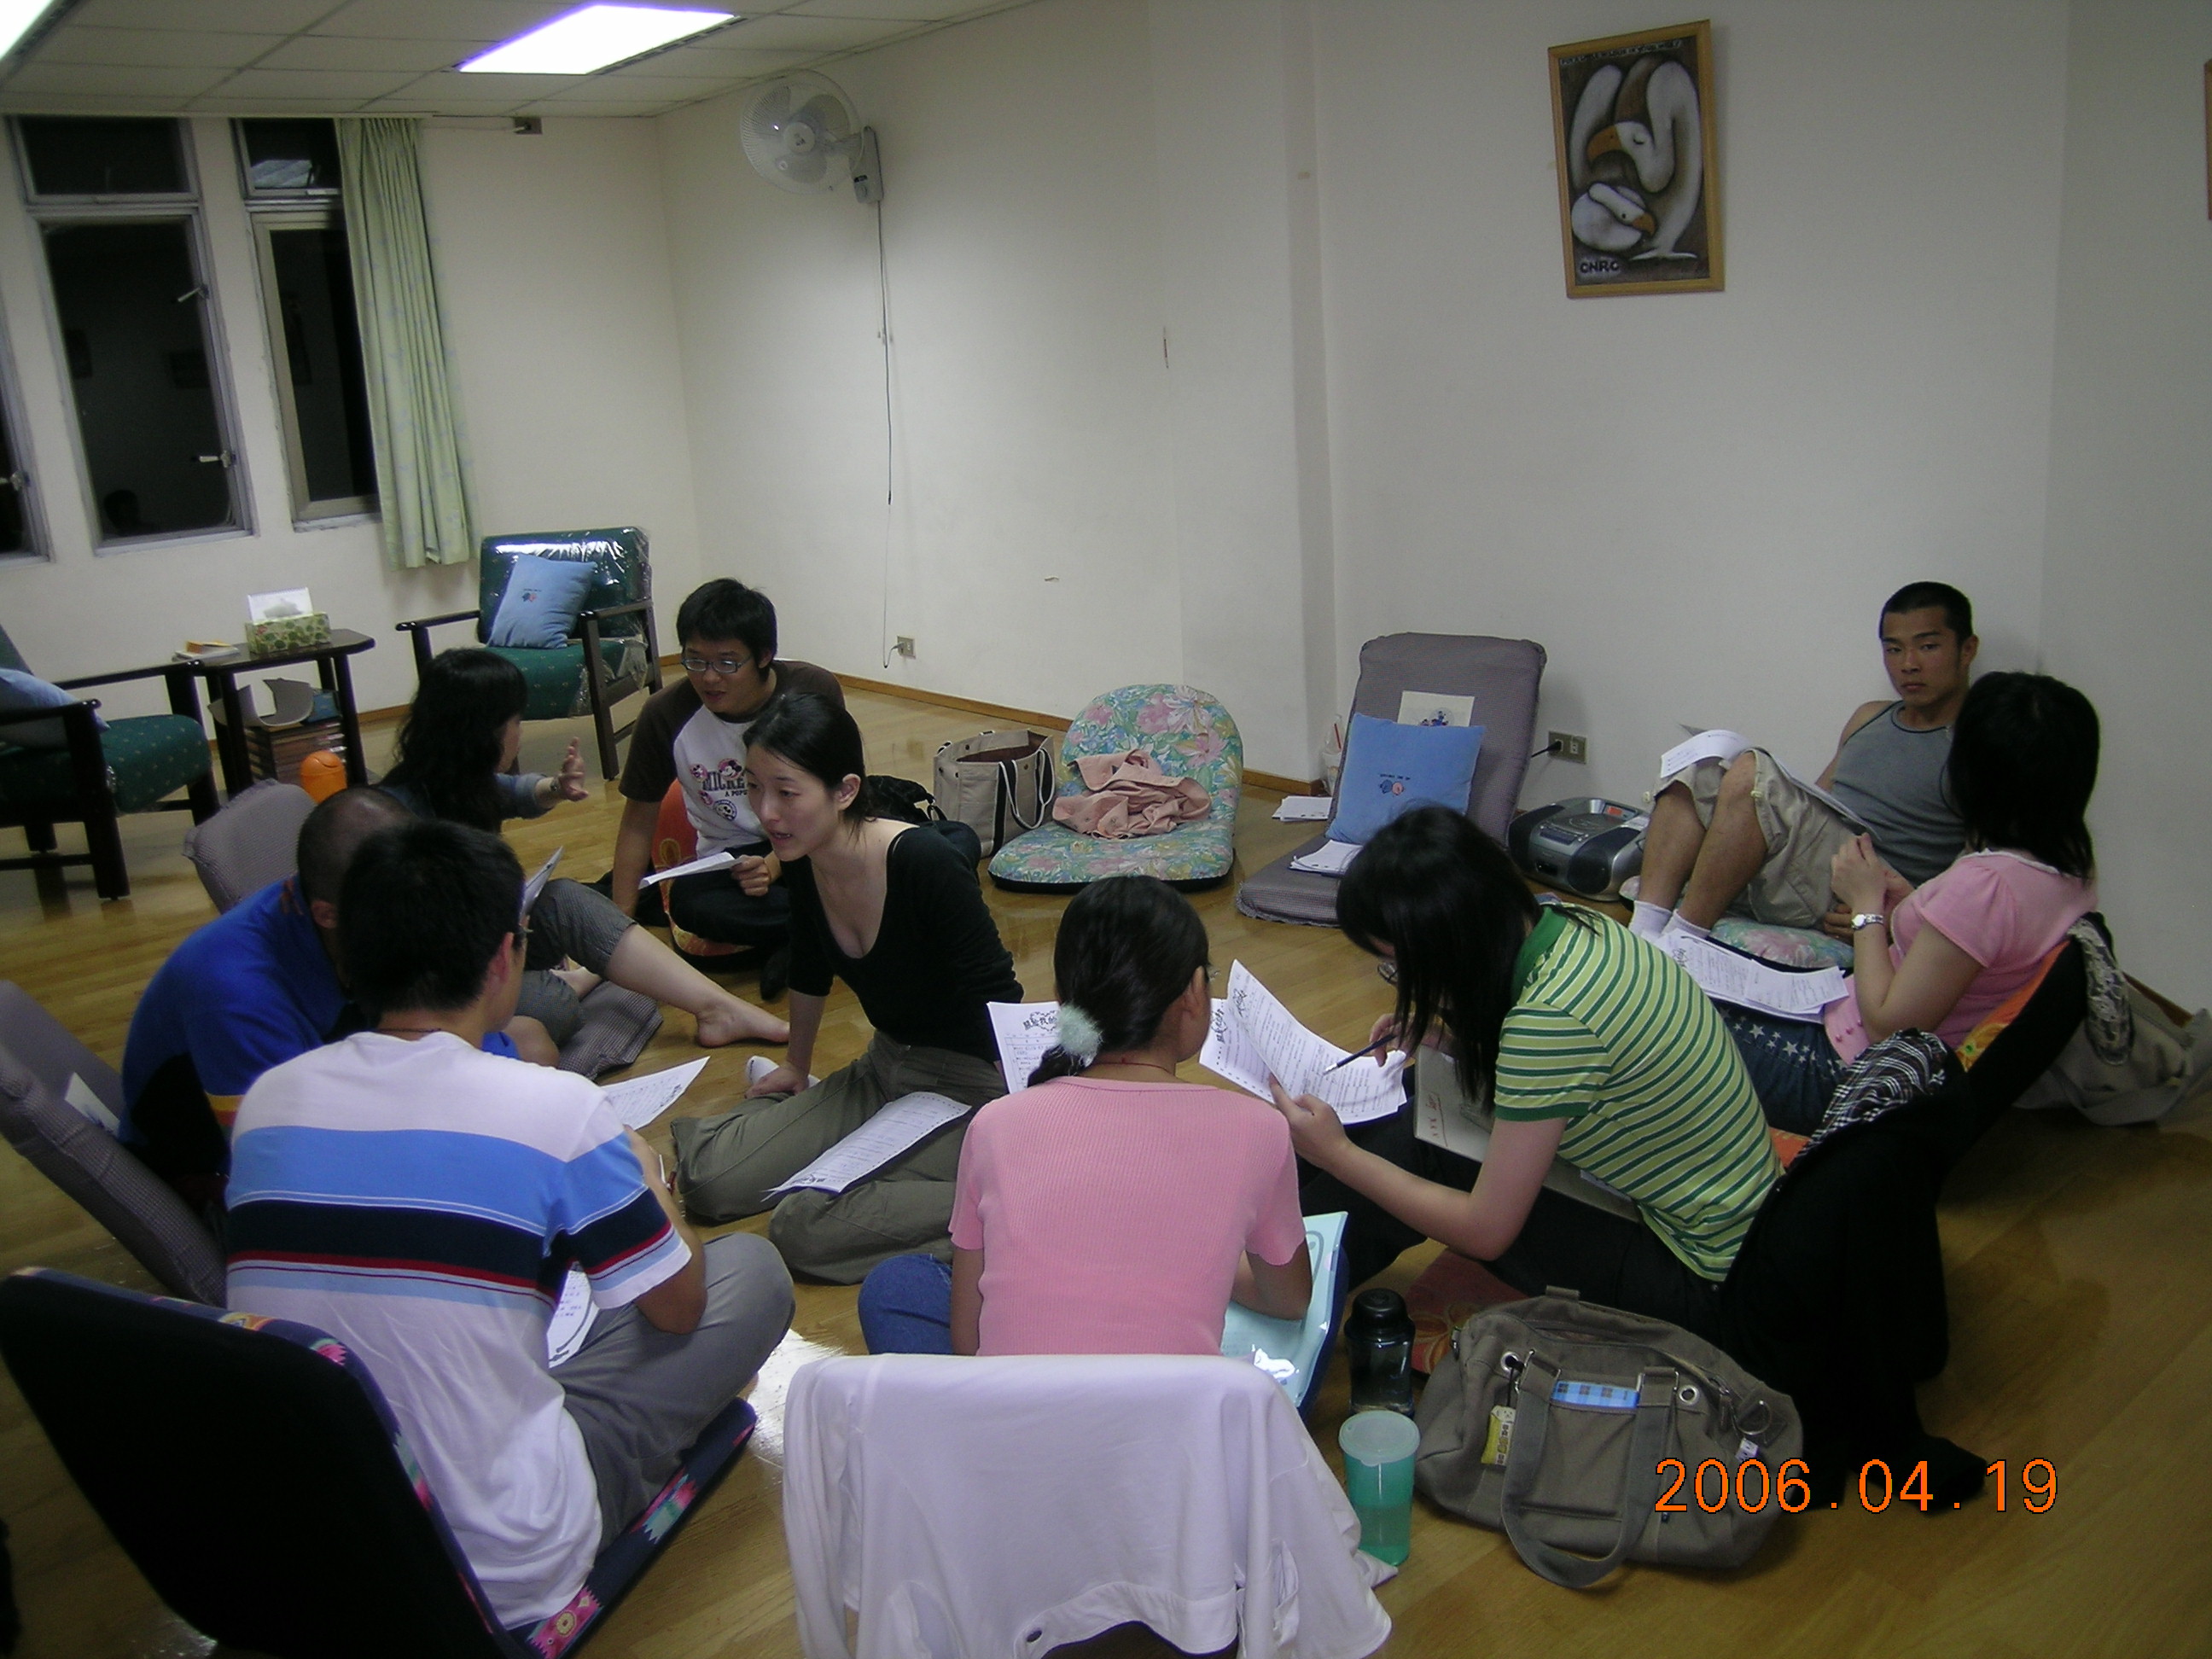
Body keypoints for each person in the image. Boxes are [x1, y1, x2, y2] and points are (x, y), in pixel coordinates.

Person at [224, 819, 794, 1631]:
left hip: (313, 1553)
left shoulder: (267, 1103)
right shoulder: (557, 1110)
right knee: (750, 1274)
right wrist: (647, 1178)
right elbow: (680, 1309)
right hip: (499, 1569)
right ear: (503, 959)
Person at [1279, 806, 1782, 1337]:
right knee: (1415, 1093)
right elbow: (1565, 1075)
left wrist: (1339, 1157)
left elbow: (1485, 1232)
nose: (1402, 979)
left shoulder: (1549, 1022)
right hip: (1744, 1234)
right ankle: (1278, 1237)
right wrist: (1446, 1041)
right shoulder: (1576, 929)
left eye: (1401, 965)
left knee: (1422, 1150)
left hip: (1704, 1283)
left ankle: (1280, 1285)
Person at [855, 876, 1313, 1356]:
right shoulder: (1260, 1129)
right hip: (1178, 1404)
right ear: (1195, 991)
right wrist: (1204, 1251)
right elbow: (1289, 1300)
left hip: (1013, 1401)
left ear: (1062, 999)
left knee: (897, 1284)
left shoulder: (994, 1125)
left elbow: (971, 1344)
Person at [670, 694, 1022, 1282]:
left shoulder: (923, 861)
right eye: (754, 788)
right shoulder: (805, 855)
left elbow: (998, 997)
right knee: (709, 1183)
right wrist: (795, 1064)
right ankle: (836, 1131)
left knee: (804, 1226)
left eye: (786, 792)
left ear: (845, 791)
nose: (766, 813)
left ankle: (1027, 1195)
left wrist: (1028, 1125)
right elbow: (809, 964)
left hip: (972, 1087)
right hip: (885, 1067)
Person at [119, 788, 543, 1214]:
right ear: (329, 914)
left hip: (334, 1097)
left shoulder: (373, 918)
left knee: (528, 1047)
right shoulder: (233, 993)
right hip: (224, 1174)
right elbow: (283, 1168)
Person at [1718, 672, 2101, 1132]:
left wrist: (1866, 908)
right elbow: (1974, 950)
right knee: (1712, 973)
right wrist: (1911, 903)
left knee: (1668, 1014)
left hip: (1836, 1069)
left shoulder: (1985, 887)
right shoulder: (2066, 866)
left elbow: (1889, 1029)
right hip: (1843, 1023)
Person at [381, 648, 788, 1050]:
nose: (519, 734)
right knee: (553, 1007)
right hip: (442, 977)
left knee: (569, 897)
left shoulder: (455, 778)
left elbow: (514, 791)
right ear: (485, 732)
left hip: (492, 942)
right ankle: (572, 980)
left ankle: (717, 1008)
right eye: (516, 721)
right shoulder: (398, 817)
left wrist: (556, 787)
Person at [1632, 582, 1980, 945]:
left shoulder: (1977, 744)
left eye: (1928, 647)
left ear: (1967, 649)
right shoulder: (1870, 717)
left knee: (1754, 774)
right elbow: (1817, 799)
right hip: (1817, 867)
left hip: (1870, 885)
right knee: (1700, 765)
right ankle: (1643, 932)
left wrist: (1903, 914)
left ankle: (1681, 941)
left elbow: (1979, 868)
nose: (1908, 664)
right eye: (1894, 649)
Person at [608, 579, 847, 990]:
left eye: (727, 663)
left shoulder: (812, 690)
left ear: (764, 656)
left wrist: (775, 864)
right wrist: (614, 934)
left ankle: (803, 935)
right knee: (691, 904)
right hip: (731, 856)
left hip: (811, 840)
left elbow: (838, 799)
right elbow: (637, 822)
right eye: (694, 661)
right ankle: (826, 931)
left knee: (884, 858)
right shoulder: (665, 713)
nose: (709, 678)